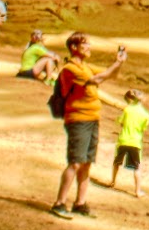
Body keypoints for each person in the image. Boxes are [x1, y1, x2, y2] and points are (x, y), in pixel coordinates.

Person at [51, 33, 126, 219]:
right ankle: (59, 203)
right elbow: (97, 80)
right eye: (85, 44)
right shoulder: (70, 69)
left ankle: (80, 203)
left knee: (86, 163)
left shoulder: (85, 66)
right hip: (78, 119)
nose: (89, 47)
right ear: (74, 47)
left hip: (92, 118)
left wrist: (119, 63)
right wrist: (116, 64)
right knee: (75, 162)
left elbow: (109, 76)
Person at [108, 89, 149, 197]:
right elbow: (143, 128)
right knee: (136, 168)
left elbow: (120, 122)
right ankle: (138, 191)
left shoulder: (127, 109)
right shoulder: (145, 114)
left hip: (123, 140)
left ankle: (112, 182)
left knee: (117, 163)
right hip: (135, 142)